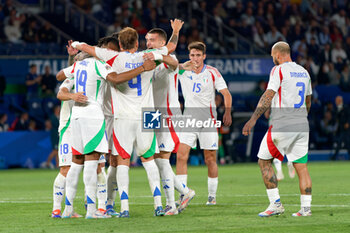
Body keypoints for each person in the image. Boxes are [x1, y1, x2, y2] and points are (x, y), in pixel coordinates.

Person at [72, 19, 183, 217]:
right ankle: (159, 204)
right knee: (150, 160)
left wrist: (75, 45)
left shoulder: (112, 57)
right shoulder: (148, 57)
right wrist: (174, 32)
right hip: (148, 115)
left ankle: (124, 208)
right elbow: (172, 50)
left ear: (120, 44)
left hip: (122, 117)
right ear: (138, 43)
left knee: (122, 161)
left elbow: (86, 48)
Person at [57, 48, 155, 219]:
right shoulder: (98, 64)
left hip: (76, 117)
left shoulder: (77, 65)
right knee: (92, 161)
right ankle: (91, 210)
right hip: (92, 116)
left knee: (76, 162)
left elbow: (59, 75)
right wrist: (142, 68)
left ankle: (68, 208)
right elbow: (115, 79)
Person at [242, 41, 313, 217]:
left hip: (283, 124)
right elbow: (308, 101)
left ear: (278, 54)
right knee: (301, 167)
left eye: (272, 55)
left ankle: (275, 204)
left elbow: (268, 95)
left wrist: (253, 119)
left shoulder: (278, 70)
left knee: (263, 161)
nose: (272, 58)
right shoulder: (304, 72)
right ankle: (305, 209)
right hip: (302, 125)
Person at [145, 28, 196, 215]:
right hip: (151, 114)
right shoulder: (150, 61)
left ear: (161, 43)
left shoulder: (167, 58)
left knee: (163, 158)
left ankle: (171, 205)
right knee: (154, 160)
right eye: (147, 40)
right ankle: (184, 192)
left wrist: (164, 54)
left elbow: (173, 63)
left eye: (152, 40)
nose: (148, 43)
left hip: (168, 114)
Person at [176, 41, 232, 205]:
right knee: (181, 155)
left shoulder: (212, 72)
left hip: (208, 120)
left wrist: (227, 111)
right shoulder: (182, 71)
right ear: (189, 56)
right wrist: (181, 65)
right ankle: (183, 194)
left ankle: (212, 196)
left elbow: (226, 93)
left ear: (204, 56)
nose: (195, 58)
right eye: (192, 55)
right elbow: (169, 66)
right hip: (189, 120)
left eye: (198, 55)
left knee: (210, 159)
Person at [331, 96, 350, 160]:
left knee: (343, 143)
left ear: (340, 101)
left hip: (347, 129)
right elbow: (335, 118)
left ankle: (334, 157)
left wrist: (348, 123)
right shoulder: (336, 109)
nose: (335, 102)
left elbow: (349, 116)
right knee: (346, 144)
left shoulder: (346, 107)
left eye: (337, 100)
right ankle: (334, 157)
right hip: (341, 129)